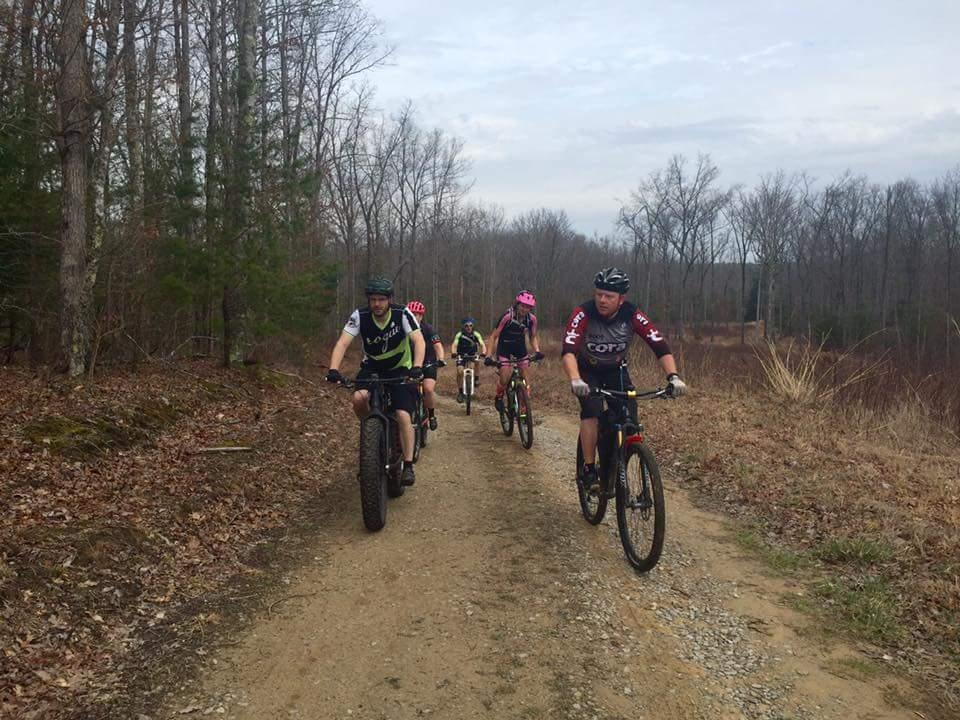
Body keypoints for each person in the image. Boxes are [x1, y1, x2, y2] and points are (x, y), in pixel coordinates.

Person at [561, 267, 687, 493]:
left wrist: (674, 377)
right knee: (591, 411)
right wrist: (575, 379)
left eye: (608, 296)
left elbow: (659, 345)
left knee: (629, 420)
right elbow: (569, 350)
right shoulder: (584, 313)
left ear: (621, 299)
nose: (602, 299)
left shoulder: (632, 314)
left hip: (616, 370)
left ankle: (616, 464)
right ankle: (589, 470)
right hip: (587, 371)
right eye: (599, 294)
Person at [326, 277, 425, 486]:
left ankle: (408, 465)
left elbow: (418, 340)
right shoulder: (359, 316)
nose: (377, 304)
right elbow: (343, 342)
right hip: (372, 368)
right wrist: (333, 369)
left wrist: (416, 367)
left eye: (381, 299)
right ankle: (370, 436)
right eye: (373, 300)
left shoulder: (402, 313)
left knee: (402, 414)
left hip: (400, 367)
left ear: (389, 299)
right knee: (359, 399)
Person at [486, 291, 544, 413]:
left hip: (519, 347)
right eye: (522, 305)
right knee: (505, 376)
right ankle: (499, 397)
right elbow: (493, 336)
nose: (524, 309)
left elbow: (533, 337)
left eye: (528, 307)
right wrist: (488, 355)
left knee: (525, 375)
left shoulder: (532, 319)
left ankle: (524, 404)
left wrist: (537, 351)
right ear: (517, 304)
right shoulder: (507, 316)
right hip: (504, 347)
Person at [406, 300, 445, 430]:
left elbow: (438, 345)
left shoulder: (428, 329)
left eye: (416, 314)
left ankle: (432, 415)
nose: (414, 317)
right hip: (410, 365)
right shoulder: (403, 330)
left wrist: (441, 358)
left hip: (428, 362)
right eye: (411, 314)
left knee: (428, 389)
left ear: (421, 316)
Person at [450, 317, 487, 404]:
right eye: (466, 326)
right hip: (461, 355)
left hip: (472, 354)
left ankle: (476, 379)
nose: (468, 328)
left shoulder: (476, 334)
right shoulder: (459, 334)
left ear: (473, 326)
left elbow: (482, 344)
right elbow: (454, 344)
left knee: (477, 361)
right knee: (460, 372)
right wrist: (453, 352)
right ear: (464, 327)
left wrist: (484, 352)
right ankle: (460, 392)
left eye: (470, 326)